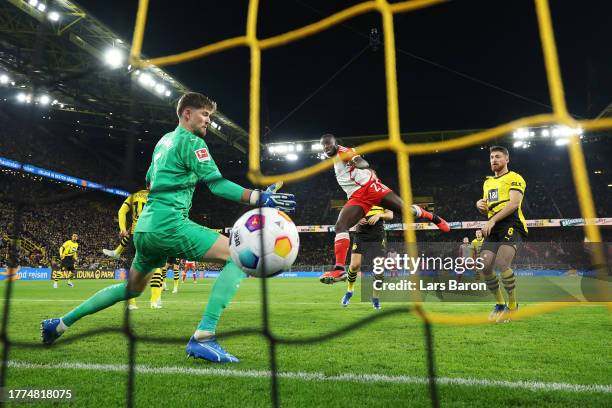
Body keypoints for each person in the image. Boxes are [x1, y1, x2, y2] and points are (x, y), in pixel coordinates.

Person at [41, 92, 296, 363]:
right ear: (187, 113)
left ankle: (58, 324)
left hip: (145, 229)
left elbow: (150, 181)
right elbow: (217, 184)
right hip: (169, 225)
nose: (208, 121)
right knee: (237, 256)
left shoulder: (164, 142)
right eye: (205, 114)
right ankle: (204, 337)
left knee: (132, 288)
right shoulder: (192, 142)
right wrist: (258, 197)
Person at [318, 134, 450, 284]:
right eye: (323, 146)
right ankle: (339, 269)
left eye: (329, 144)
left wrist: (358, 162)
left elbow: (360, 161)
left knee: (407, 212)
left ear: (335, 144)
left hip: (371, 188)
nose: (326, 148)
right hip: (357, 196)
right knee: (340, 226)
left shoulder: (344, 152)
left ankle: (433, 217)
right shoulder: (335, 156)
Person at [476, 146, 526, 323]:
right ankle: (499, 304)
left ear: (507, 159)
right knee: (484, 266)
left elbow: (513, 204)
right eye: (491, 157)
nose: (493, 160)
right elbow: (487, 209)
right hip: (494, 225)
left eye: (498, 157)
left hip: (512, 222)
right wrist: (480, 206)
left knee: (502, 262)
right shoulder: (487, 182)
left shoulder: (515, 177)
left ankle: (513, 306)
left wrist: (491, 220)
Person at [102, 188, 149, 310]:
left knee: (132, 268)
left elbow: (121, 211)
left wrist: (123, 228)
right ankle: (156, 301)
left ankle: (131, 303)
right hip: (150, 233)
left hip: (135, 234)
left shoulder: (134, 195)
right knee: (156, 267)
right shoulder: (156, 196)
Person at [340, 206, 393, 309]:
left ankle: (375, 298)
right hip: (361, 234)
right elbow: (348, 216)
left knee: (379, 270)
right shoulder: (359, 199)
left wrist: (379, 215)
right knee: (355, 265)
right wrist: (357, 219)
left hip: (377, 236)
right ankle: (349, 291)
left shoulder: (382, 199)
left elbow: (390, 215)